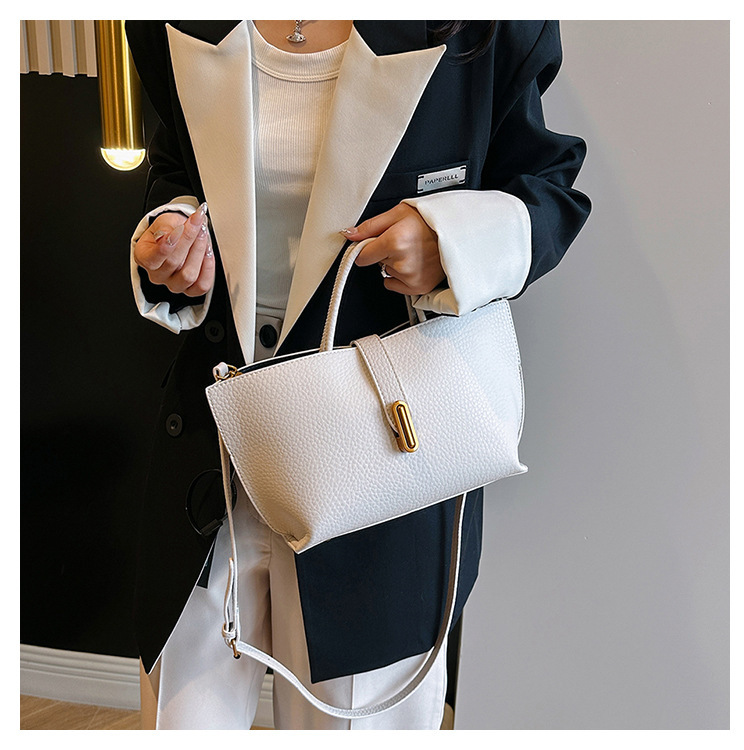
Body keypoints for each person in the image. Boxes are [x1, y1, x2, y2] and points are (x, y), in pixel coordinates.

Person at [126, 20, 590, 730]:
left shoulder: (487, 25)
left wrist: (449, 241)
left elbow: (548, 186)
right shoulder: (170, 19)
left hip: (377, 467)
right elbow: (179, 167)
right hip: (213, 457)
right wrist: (172, 239)